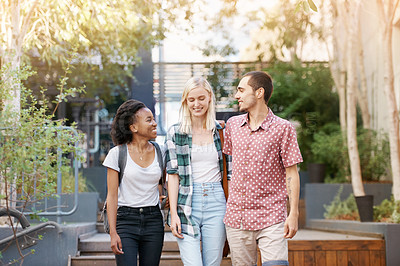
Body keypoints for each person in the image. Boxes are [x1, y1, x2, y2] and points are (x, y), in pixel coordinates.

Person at [223, 71, 303, 266]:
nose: (237, 95)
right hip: (237, 219)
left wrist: (293, 213)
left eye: (241, 90)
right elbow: (227, 169)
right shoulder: (233, 125)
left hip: (272, 217)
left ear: (259, 92)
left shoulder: (283, 128)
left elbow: (291, 173)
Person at [165, 77, 229, 266]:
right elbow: (173, 176)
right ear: (185, 102)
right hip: (187, 201)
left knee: (212, 263)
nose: (196, 104)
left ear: (209, 97)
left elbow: (230, 174)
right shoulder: (175, 132)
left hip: (217, 202)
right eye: (191, 100)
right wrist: (174, 213)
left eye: (201, 98)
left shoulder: (221, 131)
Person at [103, 99, 165, 266]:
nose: (154, 123)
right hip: (125, 221)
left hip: (153, 221)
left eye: (153, 119)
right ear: (133, 127)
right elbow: (112, 195)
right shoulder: (117, 154)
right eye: (149, 120)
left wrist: (161, 196)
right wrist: (113, 232)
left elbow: (160, 182)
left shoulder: (161, 151)